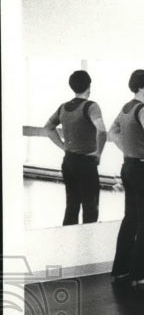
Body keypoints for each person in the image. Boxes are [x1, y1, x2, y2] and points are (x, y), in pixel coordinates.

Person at [109, 69, 144, 286]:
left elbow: (112, 132)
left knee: (130, 219)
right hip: (142, 170)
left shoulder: (126, 108)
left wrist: (128, 149)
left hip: (128, 167)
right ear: (141, 87)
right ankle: (141, 273)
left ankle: (121, 270)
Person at [43, 70, 107, 225]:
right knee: (90, 208)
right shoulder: (91, 106)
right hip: (86, 162)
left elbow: (48, 127)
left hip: (69, 162)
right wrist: (98, 153)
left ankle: (68, 244)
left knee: (72, 205)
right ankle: (87, 246)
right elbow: (102, 130)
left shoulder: (63, 108)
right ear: (89, 86)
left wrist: (64, 146)